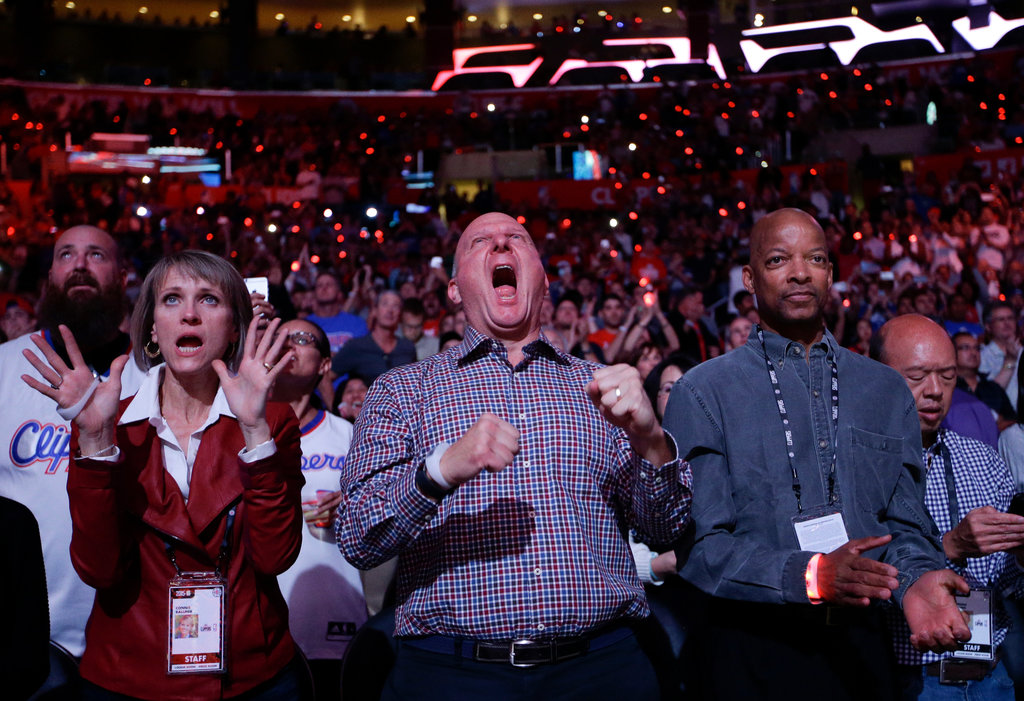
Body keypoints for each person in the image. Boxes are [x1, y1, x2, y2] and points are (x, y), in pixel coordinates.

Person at [337, 212, 692, 700]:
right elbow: (357, 535)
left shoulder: (601, 386)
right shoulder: (403, 391)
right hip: (453, 674)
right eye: (480, 241)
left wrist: (651, 440)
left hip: (602, 668)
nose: (501, 244)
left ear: (542, 280)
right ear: (455, 289)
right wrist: (439, 470)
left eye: (517, 239)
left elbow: (666, 528)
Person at [663, 208, 970, 701]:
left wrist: (916, 581)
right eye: (779, 259)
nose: (800, 271)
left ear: (831, 273)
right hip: (750, 648)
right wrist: (809, 575)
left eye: (817, 258)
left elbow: (907, 525)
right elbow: (701, 548)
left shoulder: (885, 390)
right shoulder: (704, 392)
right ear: (749, 278)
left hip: (860, 646)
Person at [21, 250, 306, 699]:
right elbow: (100, 569)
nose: (189, 314)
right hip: (128, 679)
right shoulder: (109, 424)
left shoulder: (272, 422)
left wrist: (254, 432)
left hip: (252, 681)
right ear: (153, 327)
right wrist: (94, 444)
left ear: (235, 328)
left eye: (209, 300)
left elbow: (275, 558)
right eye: (172, 300)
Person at [0, 225, 147, 659]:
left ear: (123, 275)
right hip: (22, 633)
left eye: (96, 255)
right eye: (66, 255)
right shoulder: (5, 367)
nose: (80, 265)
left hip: (136, 629)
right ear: (49, 277)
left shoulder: (160, 373)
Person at [875, 314, 1024, 700]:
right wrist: (949, 547)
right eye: (917, 376)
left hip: (990, 673)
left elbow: (1007, 583)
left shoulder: (982, 458)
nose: (935, 390)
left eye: (947, 375)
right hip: (911, 676)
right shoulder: (862, 467)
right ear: (877, 377)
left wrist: (1020, 555)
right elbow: (860, 577)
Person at [271, 319, 365, 701]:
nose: (289, 344)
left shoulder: (348, 435)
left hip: (335, 622)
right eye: (281, 338)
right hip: (262, 625)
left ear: (325, 365)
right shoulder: (244, 428)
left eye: (302, 338)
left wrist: (355, 501)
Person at [330, 290, 416, 385]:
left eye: (395, 306)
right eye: (385, 304)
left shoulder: (407, 347)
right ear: (375, 310)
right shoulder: (356, 346)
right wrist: (332, 400)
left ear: (400, 314)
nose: (390, 310)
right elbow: (326, 376)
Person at [953, 331, 1016, 431]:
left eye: (977, 348)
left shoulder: (993, 387)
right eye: (966, 348)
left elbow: (1013, 421)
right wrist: (994, 422)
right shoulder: (949, 387)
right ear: (952, 353)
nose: (973, 353)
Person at [305, 272, 367, 356]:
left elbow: (362, 356)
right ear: (314, 293)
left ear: (339, 293)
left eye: (329, 285)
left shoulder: (357, 323)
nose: (324, 288)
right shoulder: (306, 325)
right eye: (319, 285)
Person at [978, 301, 1021, 412]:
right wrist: (1010, 362)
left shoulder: (1022, 352)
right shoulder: (982, 357)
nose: (1007, 323)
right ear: (988, 326)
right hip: (1001, 420)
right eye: (1001, 319)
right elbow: (990, 395)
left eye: (1010, 318)